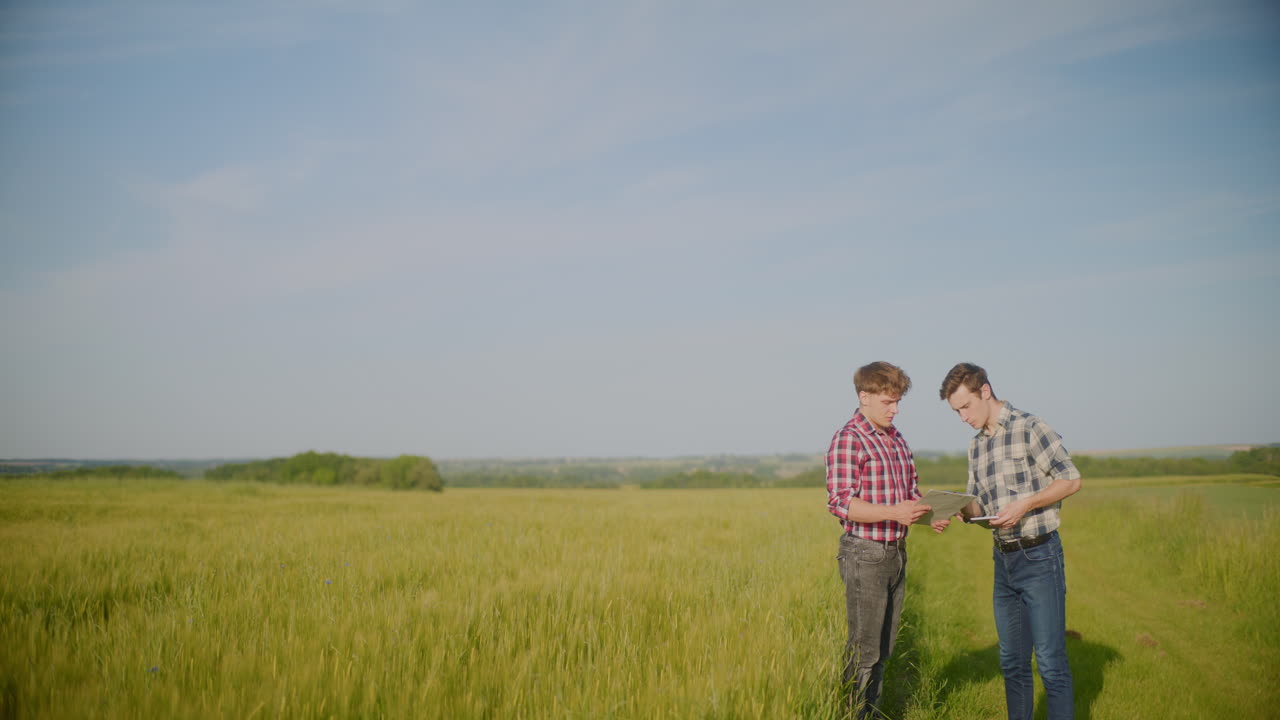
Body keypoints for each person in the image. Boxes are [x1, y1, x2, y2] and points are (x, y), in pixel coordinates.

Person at [934, 362, 1082, 720]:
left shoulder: (1030, 427)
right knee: (1013, 663)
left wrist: (1027, 503)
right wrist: (957, 508)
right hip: (1003, 562)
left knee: (1050, 662)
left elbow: (1071, 479)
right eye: (956, 411)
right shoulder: (976, 447)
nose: (962, 417)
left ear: (985, 391)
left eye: (965, 407)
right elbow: (979, 508)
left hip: (1039, 557)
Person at [826, 361, 931, 719]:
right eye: (888, 401)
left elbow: (910, 494)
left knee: (884, 651)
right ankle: (850, 714)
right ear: (864, 397)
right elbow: (841, 502)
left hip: (897, 554)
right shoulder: (848, 438)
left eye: (898, 401)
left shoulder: (896, 438)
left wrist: (931, 514)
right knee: (864, 651)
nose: (895, 409)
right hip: (865, 555)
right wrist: (893, 513)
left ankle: (869, 714)